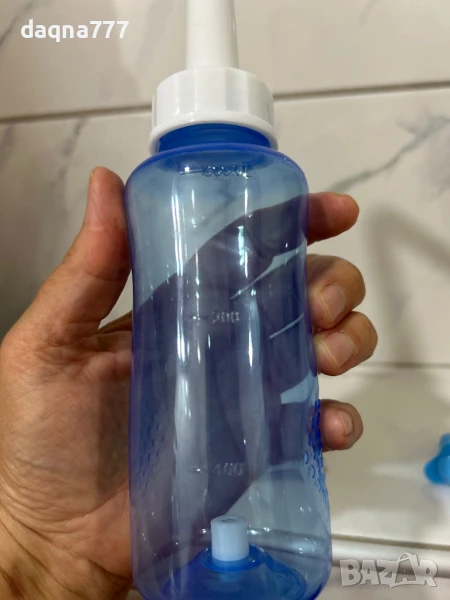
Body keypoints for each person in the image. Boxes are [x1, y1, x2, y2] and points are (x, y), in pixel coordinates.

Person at [0, 167, 377, 599]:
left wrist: (32, 554)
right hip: (123, 552)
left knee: (319, 317)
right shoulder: (157, 187)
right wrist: (33, 543)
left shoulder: (219, 182)